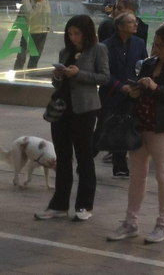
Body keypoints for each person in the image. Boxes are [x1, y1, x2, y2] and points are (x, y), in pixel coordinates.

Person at [105, 23, 164, 245]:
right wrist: (135, 90)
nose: (157, 50)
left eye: (162, 46)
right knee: (137, 174)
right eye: (155, 44)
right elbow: (139, 88)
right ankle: (130, 222)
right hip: (140, 123)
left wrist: (155, 87)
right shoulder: (149, 63)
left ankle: (163, 224)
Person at [35, 15, 108, 222]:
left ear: (86, 33)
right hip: (62, 109)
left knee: (84, 156)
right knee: (63, 156)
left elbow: (104, 77)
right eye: (70, 34)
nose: (73, 37)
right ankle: (59, 204)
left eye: (77, 33)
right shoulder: (65, 51)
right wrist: (58, 75)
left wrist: (79, 73)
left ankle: (84, 204)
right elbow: (56, 83)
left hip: (84, 109)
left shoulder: (98, 49)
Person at [101, 11, 147, 178]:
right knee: (105, 129)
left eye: (135, 21)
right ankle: (87, 155)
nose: (136, 25)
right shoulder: (105, 46)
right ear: (120, 26)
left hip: (133, 92)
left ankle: (120, 166)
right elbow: (104, 72)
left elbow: (144, 66)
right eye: (131, 22)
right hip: (112, 93)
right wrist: (120, 87)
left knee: (125, 127)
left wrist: (137, 85)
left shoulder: (140, 43)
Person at [14, 0, 50, 70]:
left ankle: (31, 75)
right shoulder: (26, 0)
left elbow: (47, 13)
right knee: (22, 57)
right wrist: (39, 3)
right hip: (30, 32)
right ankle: (17, 74)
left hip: (42, 32)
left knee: (35, 57)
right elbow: (30, 16)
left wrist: (47, 27)